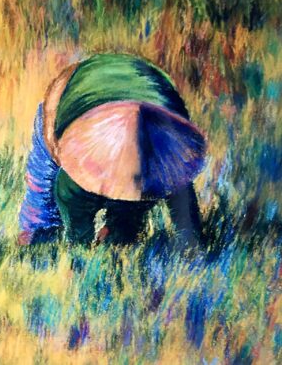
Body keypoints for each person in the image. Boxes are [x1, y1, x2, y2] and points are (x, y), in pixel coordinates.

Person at [18, 54, 207, 248]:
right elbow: (68, 196)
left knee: (130, 218)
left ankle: (120, 230)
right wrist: (80, 243)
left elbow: (186, 221)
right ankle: (37, 236)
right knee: (42, 207)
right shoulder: (74, 175)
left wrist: (191, 246)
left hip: (150, 98)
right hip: (74, 94)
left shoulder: (167, 154)